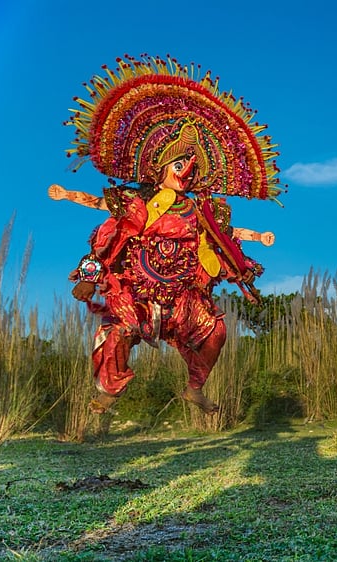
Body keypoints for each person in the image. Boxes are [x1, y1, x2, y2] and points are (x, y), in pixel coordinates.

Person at [62, 55, 283, 415]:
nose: (186, 173)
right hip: (137, 294)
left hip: (182, 297)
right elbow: (105, 237)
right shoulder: (138, 204)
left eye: (192, 167)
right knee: (118, 331)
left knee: (216, 333)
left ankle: (195, 388)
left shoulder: (199, 213)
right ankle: (110, 390)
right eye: (180, 165)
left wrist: (254, 244)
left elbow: (224, 238)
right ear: (160, 166)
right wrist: (88, 275)